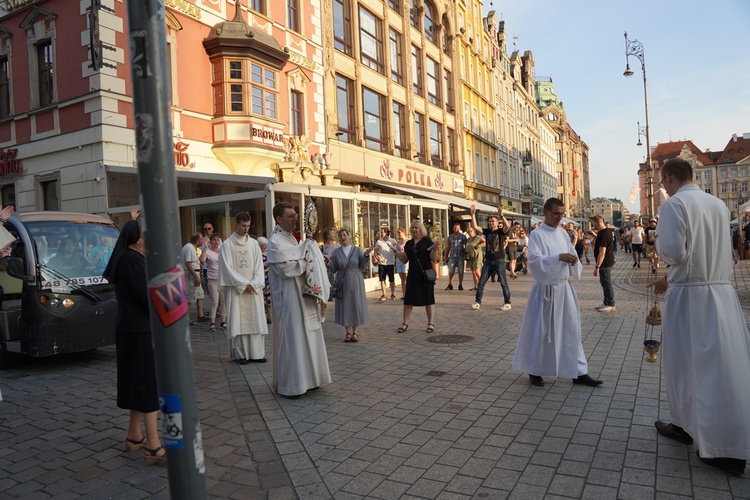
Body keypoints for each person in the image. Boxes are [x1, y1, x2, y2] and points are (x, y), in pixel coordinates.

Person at [648, 157, 750, 475]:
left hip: (692, 299)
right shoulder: (718, 204)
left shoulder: (674, 205)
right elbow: (707, 254)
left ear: (668, 178)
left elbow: (676, 252)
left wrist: (658, 244)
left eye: (662, 182)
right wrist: (672, 278)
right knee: (720, 366)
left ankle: (718, 446)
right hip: (719, 293)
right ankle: (687, 425)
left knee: (686, 365)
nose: (662, 186)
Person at [512, 198, 603, 388]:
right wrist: (558, 258)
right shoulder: (537, 234)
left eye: (562, 213)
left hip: (564, 289)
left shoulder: (563, 234)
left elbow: (574, 256)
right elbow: (535, 261)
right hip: (545, 290)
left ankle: (578, 372)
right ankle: (534, 370)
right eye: (556, 213)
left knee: (572, 329)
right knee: (542, 330)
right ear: (545, 212)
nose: (559, 217)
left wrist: (572, 261)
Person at [102, 220, 166, 465]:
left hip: (132, 329)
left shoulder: (131, 259)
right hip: (139, 331)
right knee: (147, 384)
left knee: (138, 382)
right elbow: (149, 298)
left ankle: (134, 436)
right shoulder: (133, 261)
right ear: (137, 239)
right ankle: (152, 445)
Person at [267, 202, 331, 397]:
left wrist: (308, 256)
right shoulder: (275, 242)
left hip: (304, 296)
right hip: (289, 299)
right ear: (279, 219)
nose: (295, 219)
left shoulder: (294, 240)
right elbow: (286, 269)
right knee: (294, 338)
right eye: (290, 216)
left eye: (296, 215)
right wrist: (308, 259)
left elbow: (298, 259)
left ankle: (311, 379)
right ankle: (294, 385)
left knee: (309, 334)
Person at [218, 212, 268, 365]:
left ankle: (257, 353)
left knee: (255, 320)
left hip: (253, 289)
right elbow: (226, 269)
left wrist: (255, 283)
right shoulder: (227, 245)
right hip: (237, 290)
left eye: (248, 226)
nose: (246, 229)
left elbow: (260, 266)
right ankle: (241, 354)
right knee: (239, 322)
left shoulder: (253, 244)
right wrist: (244, 284)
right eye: (243, 226)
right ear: (236, 225)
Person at [394, 220, 438, 333]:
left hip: (425, 274)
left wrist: (435, 249)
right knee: (408, 299)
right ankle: (405, 323)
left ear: (420, 229)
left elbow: (433, 258)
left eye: (416, 228)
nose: (414, 229)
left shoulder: (427, 241)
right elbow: (404, 260)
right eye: (412, 227)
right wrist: (396, 251)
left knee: (428, 298)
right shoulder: (409, 243)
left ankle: (430, 324)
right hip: (413, 274)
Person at [328, 229, 370, 342]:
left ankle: (355, 332)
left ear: (349, 236)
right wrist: (328, 261)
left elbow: (363, 266)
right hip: (343, 281)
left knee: (355, 304)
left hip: (356, 280)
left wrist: (366, 255)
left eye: (344, 235)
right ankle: (347, 332)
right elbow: (333, 269)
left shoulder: (357, 250)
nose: (343, 237)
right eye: (340, 235)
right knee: (345, 305)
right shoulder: (337, 252)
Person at [469, 204, 512, 311]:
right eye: (490, 221)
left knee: (503, 282)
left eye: (493, 221)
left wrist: (501, 215)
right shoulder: (488, 232)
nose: (491, 223)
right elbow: (475, 227)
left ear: (498, 223)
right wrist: (472, 214)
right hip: (488, 261)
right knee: (481, 282)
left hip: (499, 260)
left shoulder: (501, 232)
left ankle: (507, 302)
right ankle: (477, 302)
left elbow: (508, 226)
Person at [199, 233, 225, 332]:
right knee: (214, 300)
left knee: (223, 301)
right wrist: (205, 248)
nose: (216, 242)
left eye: (218, 240)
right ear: (210, 241)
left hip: (222, 279)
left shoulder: (222, 251)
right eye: (214, 240)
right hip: (212, 279)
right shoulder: (208, 251)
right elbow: (202, 260)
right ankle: (212, 322)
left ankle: (223, 321)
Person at [592, 215, 616, 312]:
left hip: (605, 262)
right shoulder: (604, 232)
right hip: (605, 261)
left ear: (595, 223)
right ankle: (606, 302)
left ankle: (610, 303)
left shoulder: (604, 233)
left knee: (607, 283)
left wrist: (597, 267)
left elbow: (602, 252)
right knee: (604, 282)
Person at [182, 233, 207, 325]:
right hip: (191, 275)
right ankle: (185, 319)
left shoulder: (192, 248)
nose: (203, 241)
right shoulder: (189, 248)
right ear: (197, 241)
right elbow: (188, 263)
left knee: (199, 295)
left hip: (195, 273)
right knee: (190, 297)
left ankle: (200, 314)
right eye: (201, 240)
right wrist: (196, 277)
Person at [319, 227, 339, 319]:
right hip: (326, 273)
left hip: (335, 273)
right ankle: (323, 315)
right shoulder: (322, 248)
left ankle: (339, 315)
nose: (335, 235)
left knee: (338, 295)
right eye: (333, 233)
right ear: (327, 235)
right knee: (324, 294)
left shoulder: (338, 247)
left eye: (335, 233)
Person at [375, 227, 397, 300]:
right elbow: (376, 252)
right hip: (381, 263)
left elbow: (396, 250)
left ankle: (392, 294)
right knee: (382, 279)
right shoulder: (378, 242)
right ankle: (384, 294)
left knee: (391, 279)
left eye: (383, 232)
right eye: (381, 232)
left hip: (390, 262)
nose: (381, 233)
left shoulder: (393, 241)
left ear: (387, 232)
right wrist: (378, 258)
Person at [444, 223, 467, 290]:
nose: (455, 230)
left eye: (457, 228)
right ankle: (450, 284)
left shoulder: (463, 236)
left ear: (459, 229)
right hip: (452, 256)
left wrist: (465, 253)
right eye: (454, 228)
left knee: (461, 271)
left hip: (460, 256)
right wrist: (446, 256)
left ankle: (460, 284)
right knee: (451, 271)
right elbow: (448, 247)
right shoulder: (450, 237)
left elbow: (466, 245)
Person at [257, 237, 272, 324]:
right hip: (262, 279)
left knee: (269, 299)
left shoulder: (269, 253)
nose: (264, 247)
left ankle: (270, 317)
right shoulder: (258, 254)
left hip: (269, 279)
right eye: (263, 246)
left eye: (265, 245)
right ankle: (262, 318)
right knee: (262, 300)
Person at [395, 227, 409, 299]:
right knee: (402, 278)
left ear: (403, 232)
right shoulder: (398, 242)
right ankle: (404, 294)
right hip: (399, 260)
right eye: (398, 233)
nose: (398, 234)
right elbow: (396, 251)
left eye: (399, 232)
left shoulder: (408, 241)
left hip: (405, 260)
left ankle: (408, 294)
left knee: (406, 277)